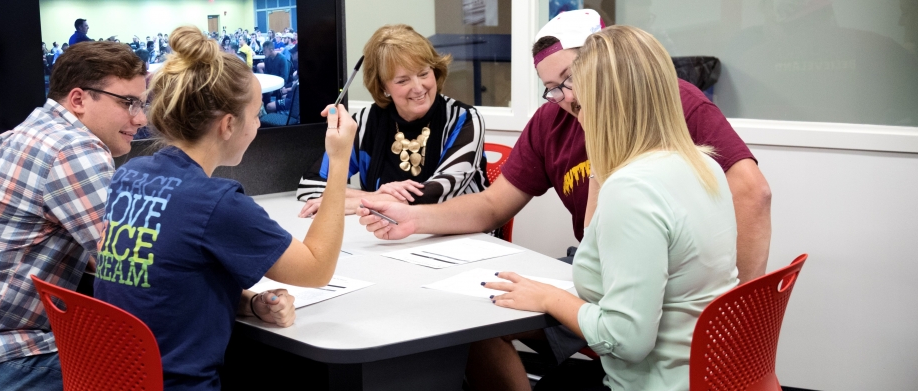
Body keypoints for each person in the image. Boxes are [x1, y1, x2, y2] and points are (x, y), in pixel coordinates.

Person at [357, 9, 771, 391]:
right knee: (492, 309)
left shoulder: (635, 185)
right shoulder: (697, 162)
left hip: (649, 363)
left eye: (573, 83)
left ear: (611, 83)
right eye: (553, 89)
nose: (569, 99)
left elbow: (627, 338)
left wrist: (734, 325)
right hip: (675, 339)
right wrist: (415, 217)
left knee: (494, 309)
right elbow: (492, 205)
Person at [92, 26, 357, 390]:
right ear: (229, 124)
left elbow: (165, 283)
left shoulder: (130, 175)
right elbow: (317, 268)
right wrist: (339, 159)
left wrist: (247, 302)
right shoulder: (215, 202)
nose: (259, 123)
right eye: (256, 114)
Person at [485, 25, 739, 391]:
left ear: (607, 106)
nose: (578, 117)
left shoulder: (632, 190)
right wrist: (604, 167)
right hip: (707, 373)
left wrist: (548, 297)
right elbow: (605, 252)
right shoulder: (704, 165)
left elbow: (626, 340)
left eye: (581, 104)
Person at [0, 41, 147, 390]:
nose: (140, 118)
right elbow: (130, 263)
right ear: (78, 100)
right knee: (143, 364)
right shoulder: (74, 149)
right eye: (128, 103)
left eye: (141, 103)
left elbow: (105, 253)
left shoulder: (30, 134)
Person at [296, 24, 488, 216]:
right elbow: (310, 185)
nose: (419, 87)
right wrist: (375, 197)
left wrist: (360, 203)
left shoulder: (465, 120)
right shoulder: (365, 121)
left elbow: (439, 193)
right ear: (383, 87)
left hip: (460, 236)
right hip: (384, 236)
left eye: (423, 73)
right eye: (402, 81)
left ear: (435, 71)